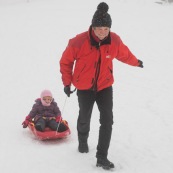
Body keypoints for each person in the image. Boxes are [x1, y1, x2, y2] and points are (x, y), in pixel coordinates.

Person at [59, 2, 143, 170]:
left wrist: (136, 62)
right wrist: (67, 83)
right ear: (92, 27)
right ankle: (82, 140)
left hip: (105, 86)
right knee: (85, 117)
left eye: (106, 29)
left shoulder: (114, 40)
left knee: (107, 120)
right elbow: (66, 62)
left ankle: (101, 156)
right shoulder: (78, 41)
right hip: (84, 87)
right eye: (99, 29)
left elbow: (124, 54)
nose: (102, 33)